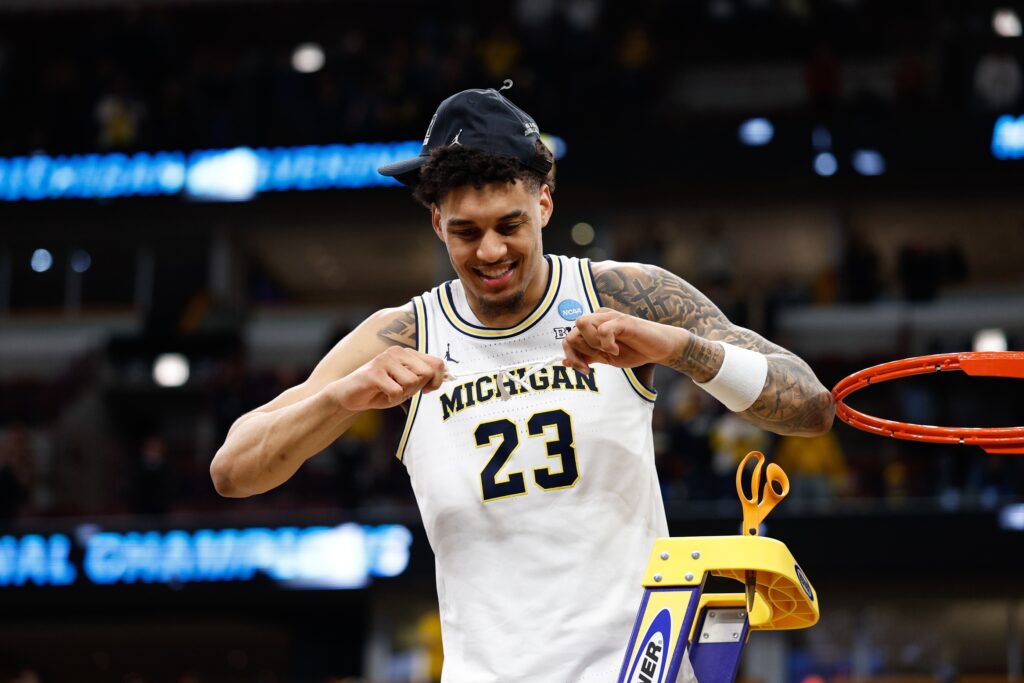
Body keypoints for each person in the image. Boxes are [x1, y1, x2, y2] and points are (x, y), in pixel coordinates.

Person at [210, 86, 835, 682]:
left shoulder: (622, 293)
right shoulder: (400, 334)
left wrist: (676, 347)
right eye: (465, 231)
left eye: (508, 225)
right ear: (435, 222)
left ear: (545, 203)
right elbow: (233, 471)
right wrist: (342, 396)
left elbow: (811, 405)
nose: (489, 251)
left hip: (641, 667)